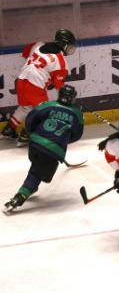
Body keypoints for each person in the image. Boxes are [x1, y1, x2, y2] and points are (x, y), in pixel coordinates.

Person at [3, 85, 83, 213]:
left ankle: (30, 188)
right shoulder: (77, 113)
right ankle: (19, 197)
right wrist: (63, 141)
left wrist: (32, 134)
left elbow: (30, 119)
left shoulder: (47, 105)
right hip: (54, 151)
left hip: (34, 145)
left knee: (37, 167)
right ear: (72, 98)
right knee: (37, 173)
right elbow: (77, 135)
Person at [1, 29, 76, 146]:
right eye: (69, 46)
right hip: (35, 86)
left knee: (25, 108)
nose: (70, 49)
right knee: (44, 113)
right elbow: (59, 86)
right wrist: (68, 96)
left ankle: (9, 129)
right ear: (64, 44)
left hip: (21, 81)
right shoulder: (61, 61)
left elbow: (26, 51)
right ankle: (25, 136)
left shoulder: (40, 45)